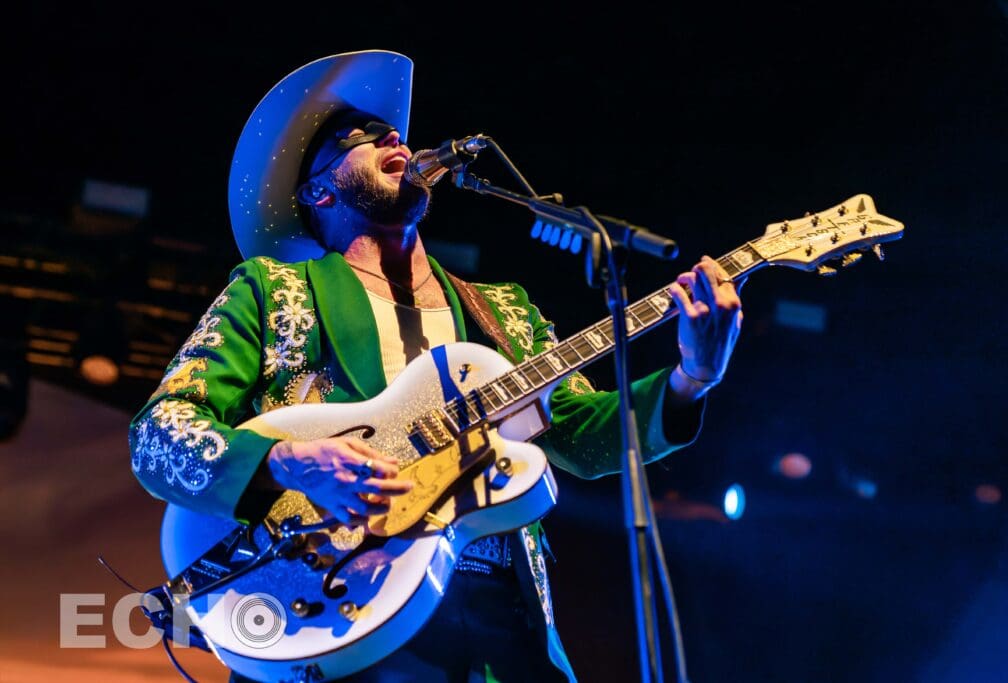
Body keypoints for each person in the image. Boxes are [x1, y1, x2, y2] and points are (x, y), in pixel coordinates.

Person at [129, 50, 743, 682]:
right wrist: (288, 461)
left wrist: (691, 379)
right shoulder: (274, 290)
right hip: (340, 606)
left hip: (496, 624)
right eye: (356, 138)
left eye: (392, 131)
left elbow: (582, 440)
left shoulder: (502, 310)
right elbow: (158, 435)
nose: (393, 136)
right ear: (317, 190)